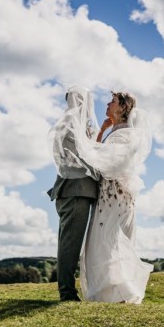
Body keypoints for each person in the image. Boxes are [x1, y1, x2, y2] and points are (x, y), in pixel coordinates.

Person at [74, 91, 154, 304]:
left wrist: (89, 145)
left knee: (108, 243)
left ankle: (122, 293)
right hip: (108, 195)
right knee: (100, 242)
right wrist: (101, 131)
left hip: (116, 197)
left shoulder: (127, 135)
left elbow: (105, 163)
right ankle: (109, 295)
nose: (107, 104)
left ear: (123, 108)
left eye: (112, 102)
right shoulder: (115, 133)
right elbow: (100, 156)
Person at [47, 85, 100, 302]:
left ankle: (69, 290)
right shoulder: (69, 125)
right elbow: (83, 158)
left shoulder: (77, 125)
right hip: (75, 189)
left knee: (72, 242)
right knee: (70, 243)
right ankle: (67, 292)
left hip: (80, 190)